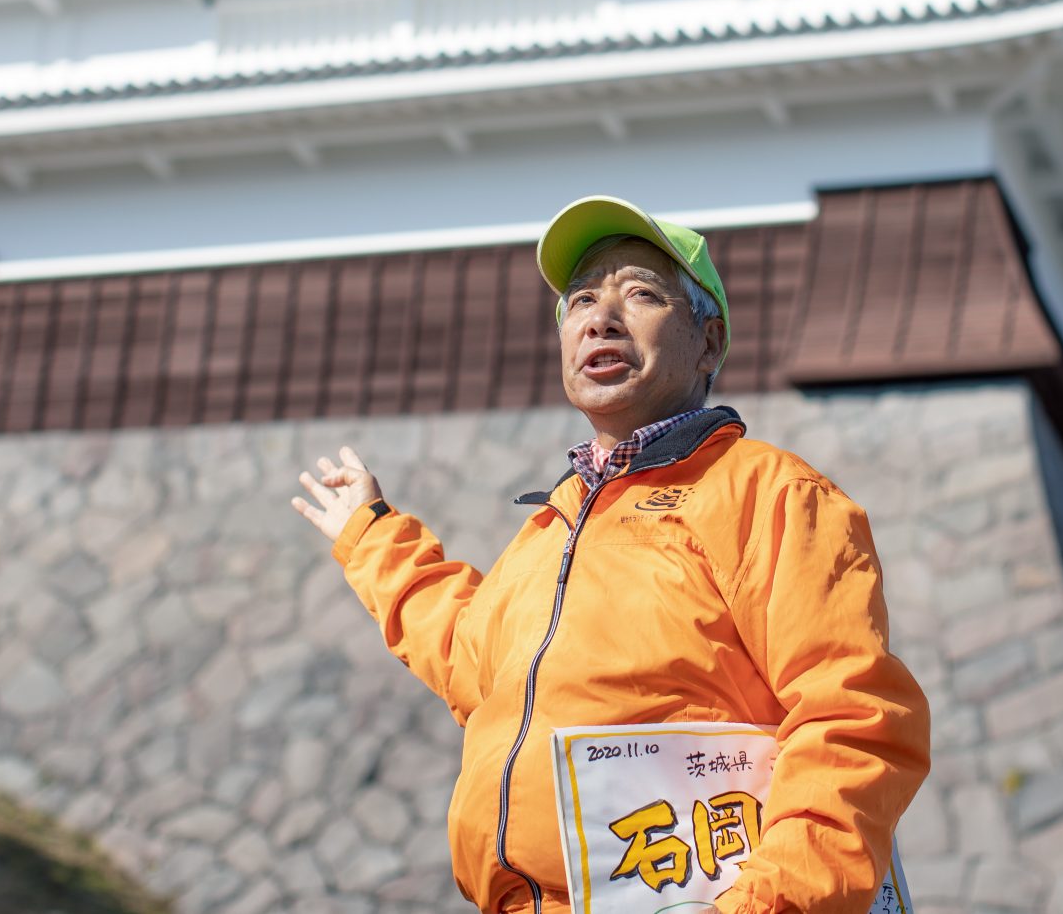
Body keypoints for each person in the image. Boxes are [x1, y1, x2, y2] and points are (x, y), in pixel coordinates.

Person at [291, 195, 930, 913]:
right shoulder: (552, 528)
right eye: (581, 299)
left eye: (642, 294)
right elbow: (472, 660)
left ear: (708, 341)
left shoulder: (769, 493)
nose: (600, 315)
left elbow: (853, 722)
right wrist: (373, 533)